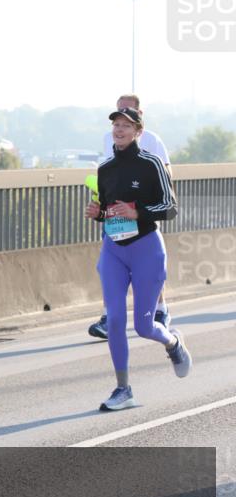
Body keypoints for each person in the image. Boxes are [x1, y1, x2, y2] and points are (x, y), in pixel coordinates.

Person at [85, 108, 192, 411]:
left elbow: (170, 207)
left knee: (145, 327)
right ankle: (123, 389)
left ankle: (172, 343)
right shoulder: (105, 169)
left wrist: (138, 212)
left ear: (138, 132)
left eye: (125, 125)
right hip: (113, 250)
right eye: (116, 125)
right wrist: (98, 214)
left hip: (146, 248)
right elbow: (108, 210)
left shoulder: (151, 164)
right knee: (115, 320)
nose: (119, 130)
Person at [89, 93, 173, 339]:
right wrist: (100, 210)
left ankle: (159, 309)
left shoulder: (153, 142)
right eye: (117, 117)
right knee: (108, 268)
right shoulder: (108, 139)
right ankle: (108, 317)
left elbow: (167, 177)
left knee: (146, 271)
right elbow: (107, 173)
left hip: (143, 217)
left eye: (127, 115)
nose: (120, 125)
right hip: (115, 217)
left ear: (139, 120)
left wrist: (143, 209)